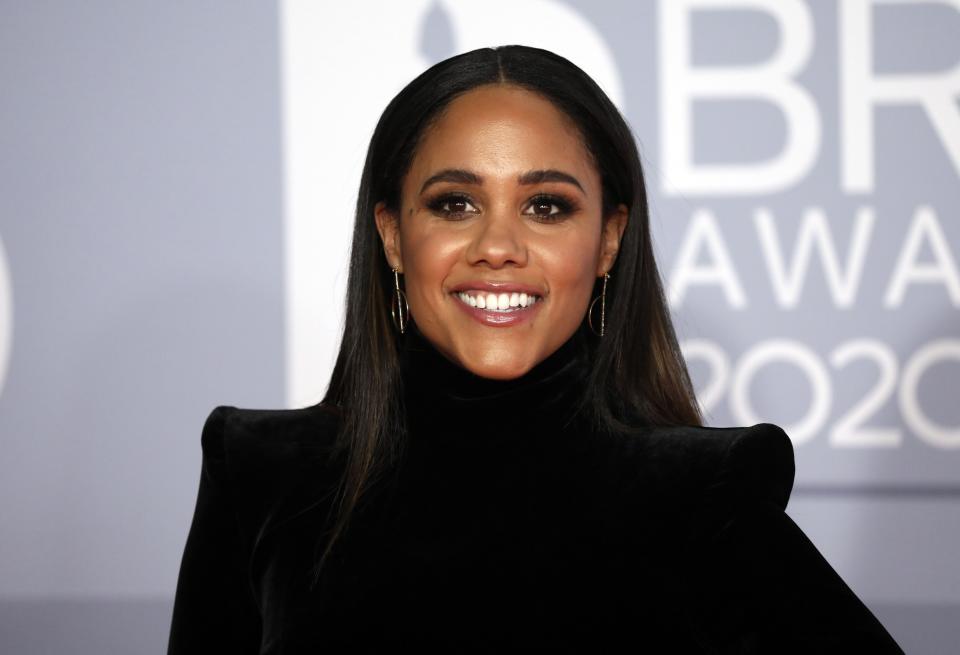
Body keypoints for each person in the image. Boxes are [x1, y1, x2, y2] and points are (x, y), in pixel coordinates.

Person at [167, 45, 903, 653]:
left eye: (546, 206)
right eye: (455, 202)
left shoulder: (700, 492)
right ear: (393, 234)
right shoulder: (262, 472)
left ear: (609, 238)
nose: (497, 247)